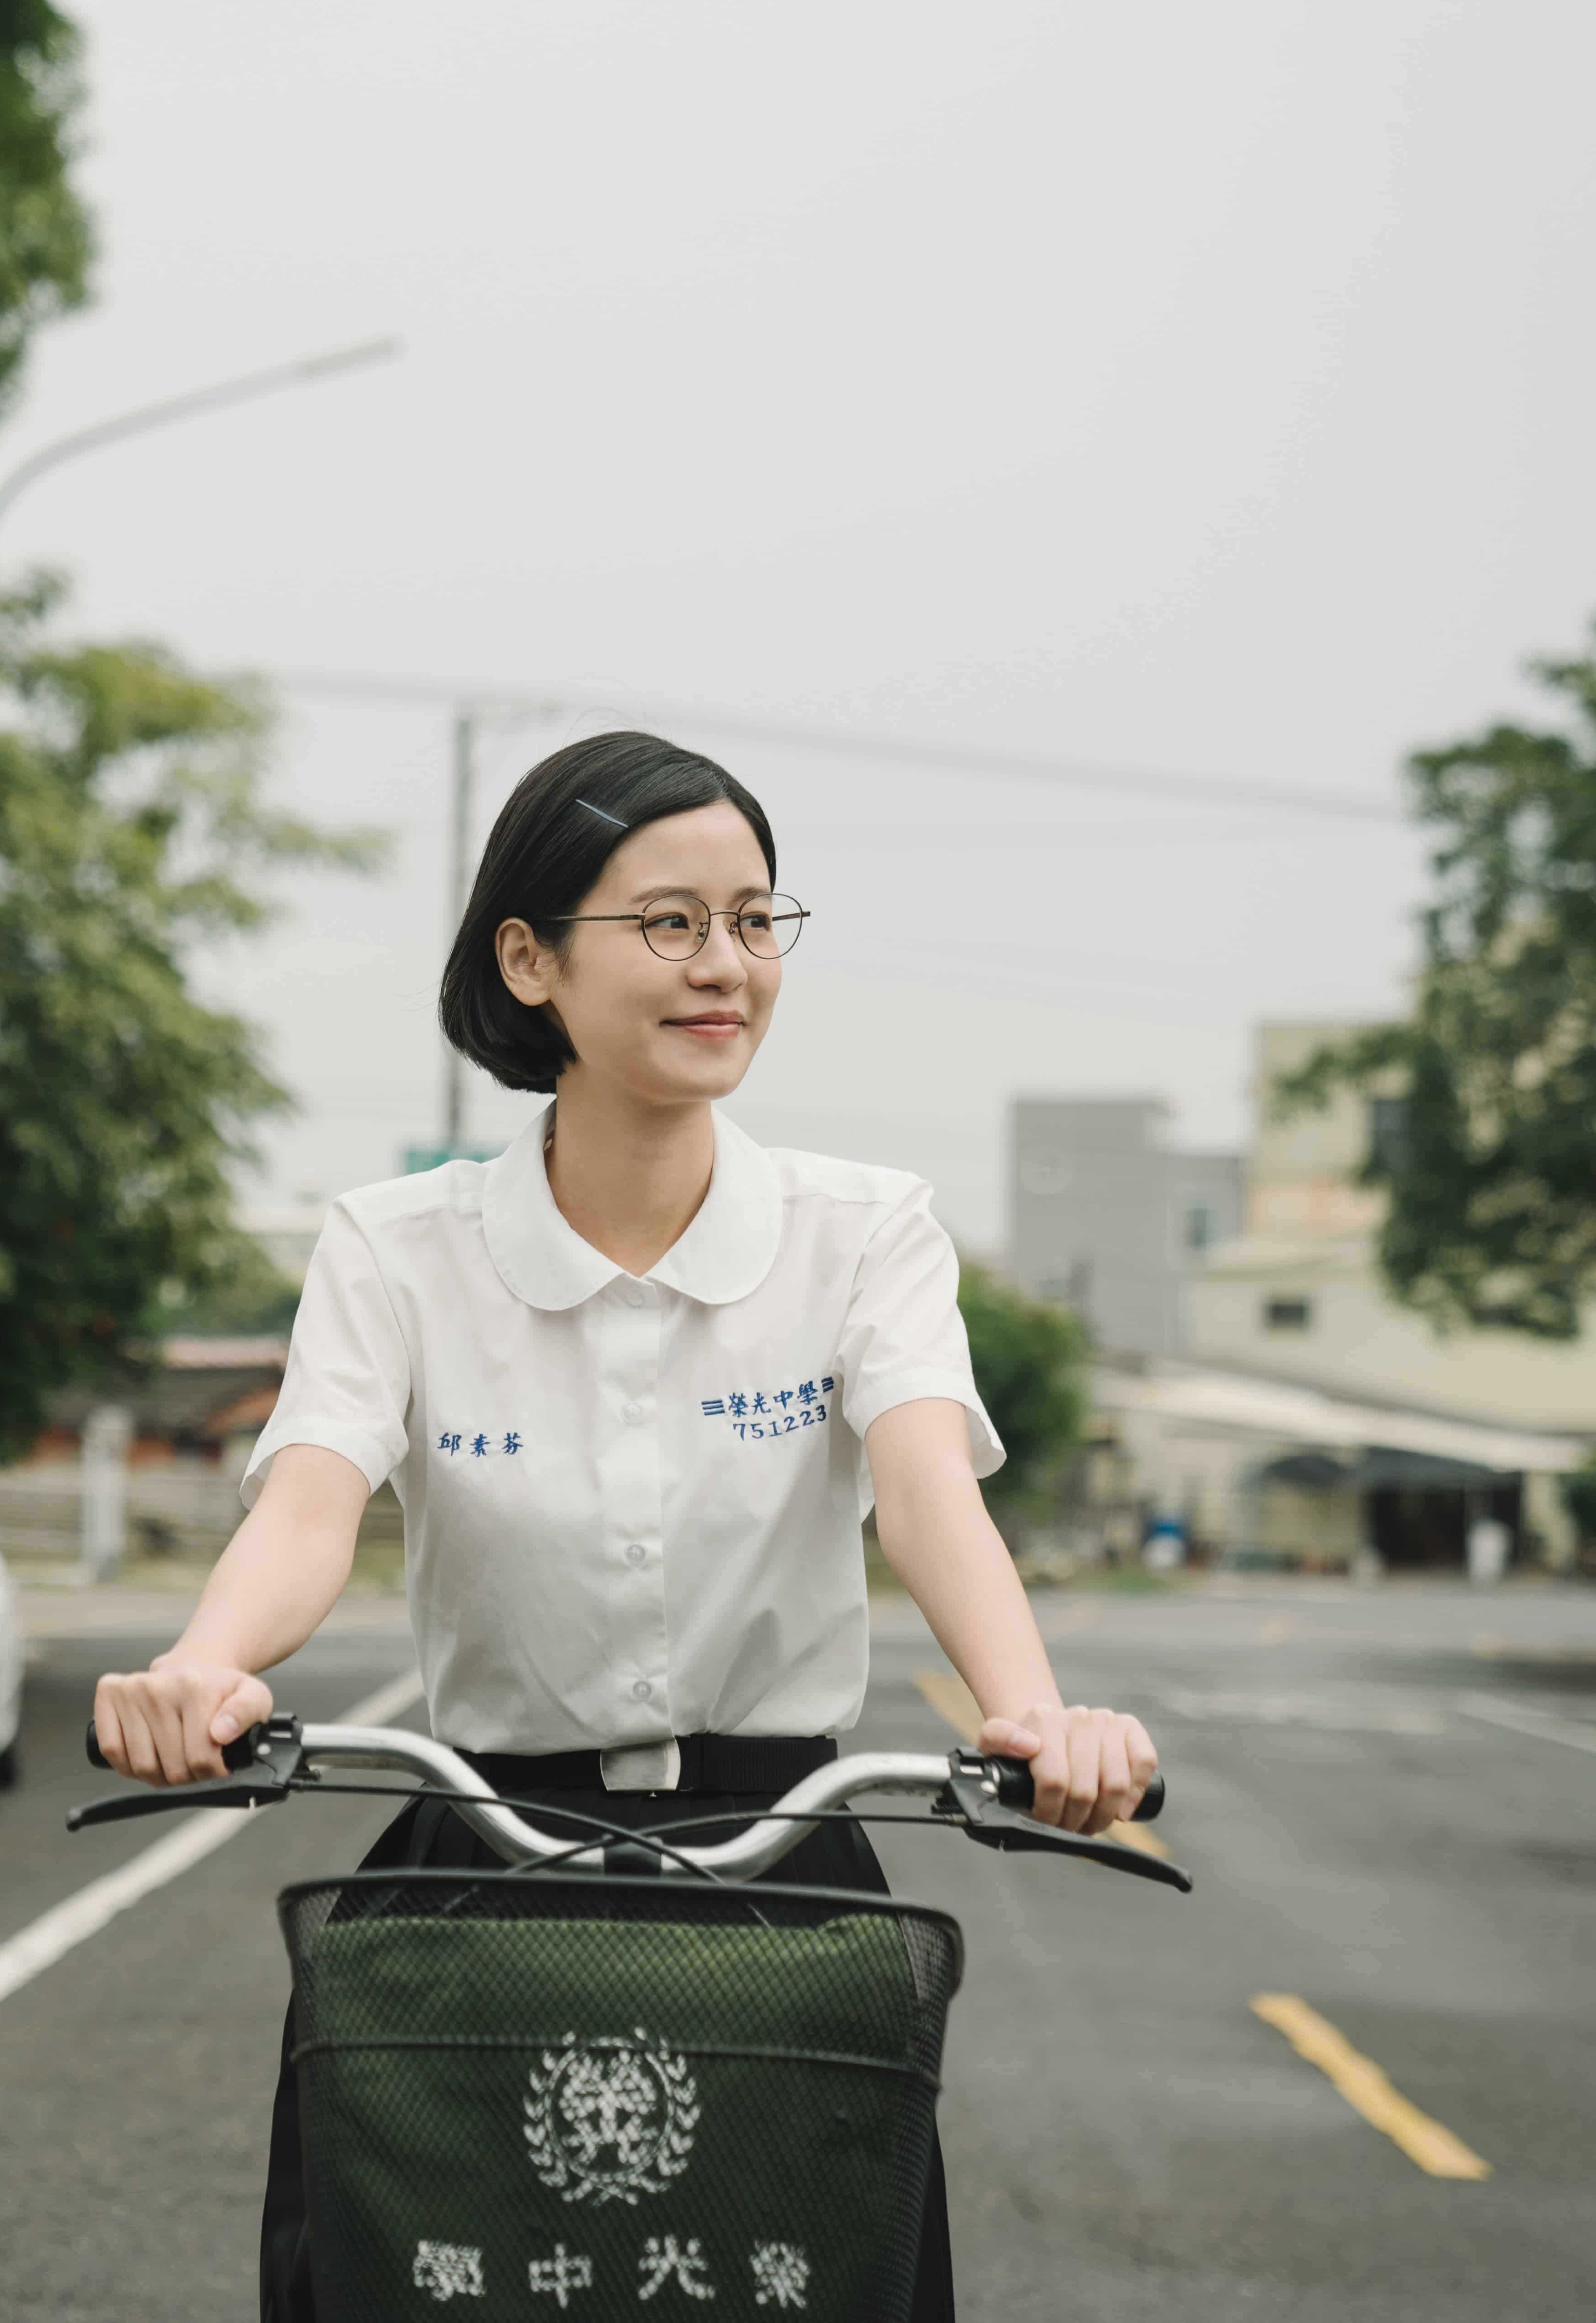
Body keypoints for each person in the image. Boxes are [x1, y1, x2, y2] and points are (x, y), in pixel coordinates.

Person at [92, 730, 1159, 2323]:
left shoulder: (866, 1233)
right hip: (490, 1857)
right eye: (668, 923)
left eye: (753, 919)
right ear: (528, 958)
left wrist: (1034, 1716)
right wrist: (201, 1670)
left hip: (791, 1867)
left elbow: (933, 1494)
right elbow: (311, 1501)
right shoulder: (397, 1248)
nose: (724, 964)